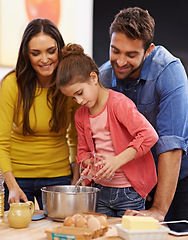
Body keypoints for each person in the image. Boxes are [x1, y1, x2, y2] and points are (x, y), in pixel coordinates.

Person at [99, 7, 188, 221]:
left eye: (131, 54)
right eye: (115, 50)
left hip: (175, 179)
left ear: (148, 50)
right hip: (132, 184)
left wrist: (158, 209)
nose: (120, 61)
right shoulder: (103, 77)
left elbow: (171, 145)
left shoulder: (170, 72)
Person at [56, 43, 159, 217]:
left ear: (93, 78)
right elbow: (82, 152)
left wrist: (116, 161)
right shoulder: (81, 116)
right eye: (73, 98)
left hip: (129, 192)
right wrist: (90, 162)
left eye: (80, 92)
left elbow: (149, 135)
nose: (79, 101)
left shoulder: (119, 104)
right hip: (99, 191)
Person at [0, 18, 80, 210]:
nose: (44, 59)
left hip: (59, 177)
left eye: (51, 51)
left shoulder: (69, 85)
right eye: (36, 53)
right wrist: (11, 186)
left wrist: (76, 179)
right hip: (18, 178)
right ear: (27, 55)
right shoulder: (12, 84)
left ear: (60, 50)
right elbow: (1, 142)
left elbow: (76, 138)